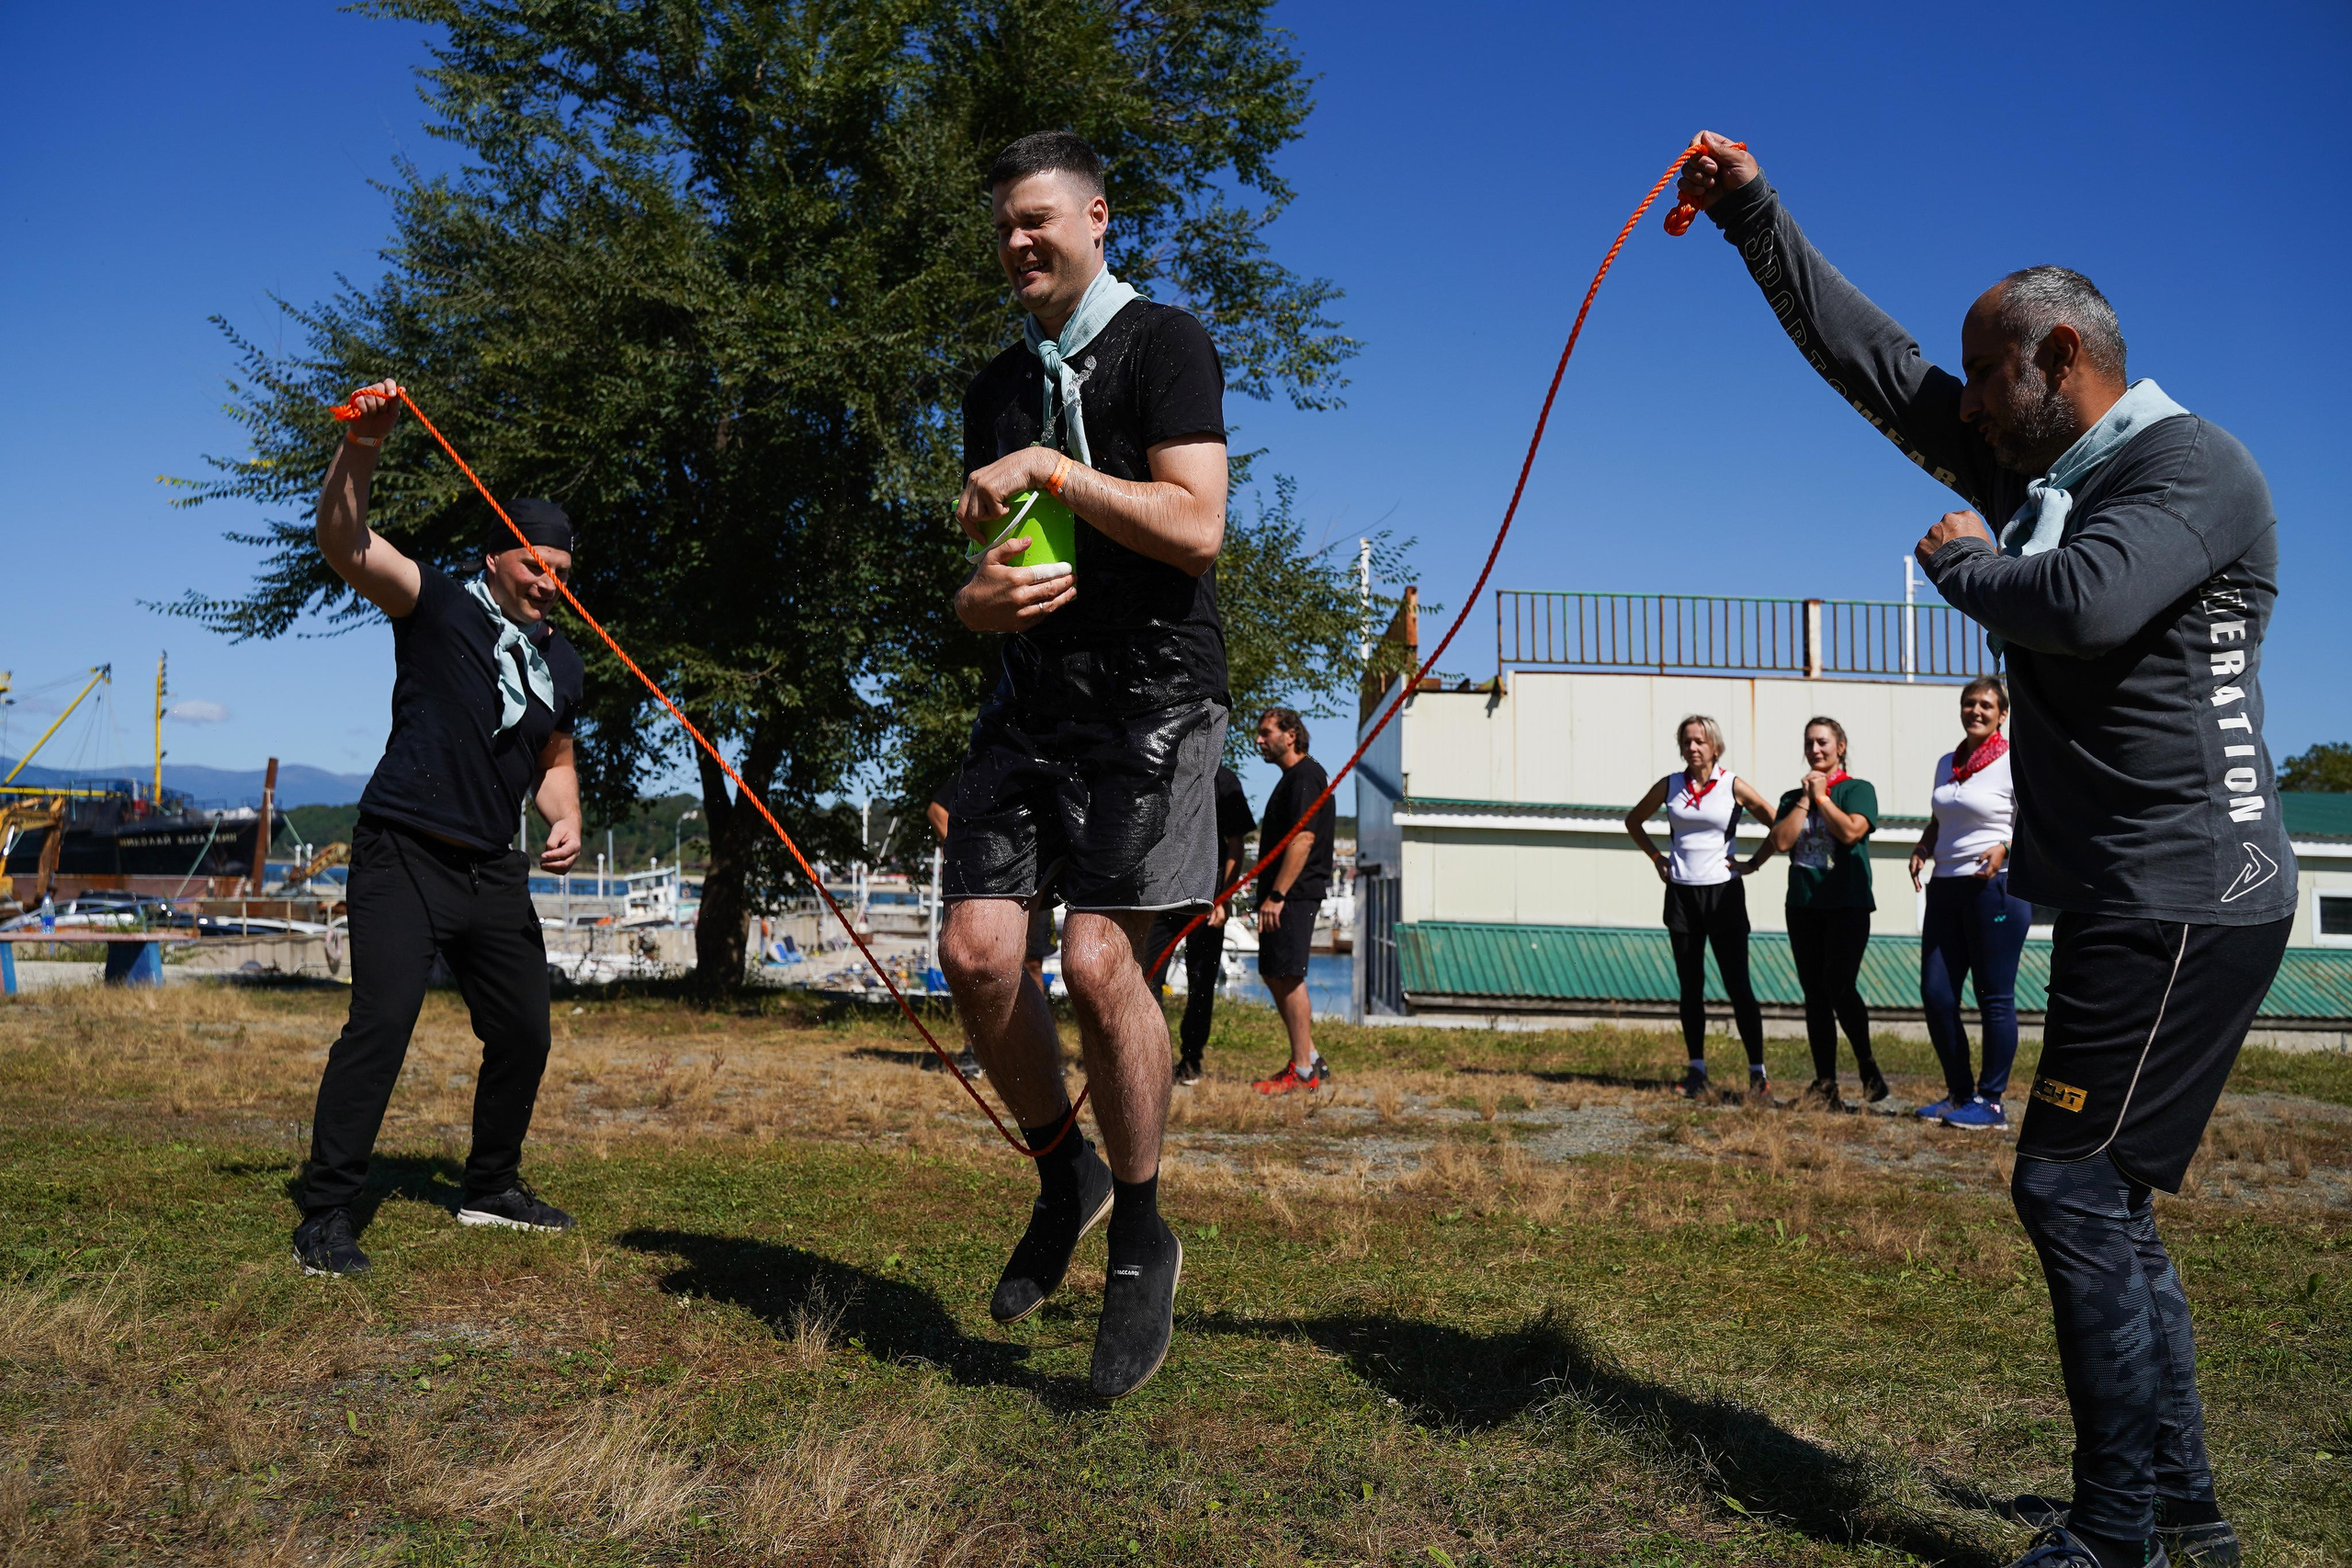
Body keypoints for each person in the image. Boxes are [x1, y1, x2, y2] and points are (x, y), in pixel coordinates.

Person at [1678, 132, 2294, 1568]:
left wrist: (1956, 555)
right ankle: (2179, 1511)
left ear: (2059, 356)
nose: (1966, 405)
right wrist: (1757, 217)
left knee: (2070, 1186)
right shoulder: (2046, 455)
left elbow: (2077, 604)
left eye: (1989, 375)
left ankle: (2120, 1530)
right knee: (2110, 1201)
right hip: (2152, 892)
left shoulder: (2190, 468)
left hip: (2191, 890)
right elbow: (1877, 366)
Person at [937, 131, 1230, 1399]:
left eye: (1036, 219)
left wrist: (1058, 463)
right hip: (1033, 699)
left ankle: (1143, 1232)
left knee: (1101, 956)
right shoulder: (994, 385)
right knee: (977, 951)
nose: (1016, 241)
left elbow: (1196, 526)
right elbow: (999, 578)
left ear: (1096, 218)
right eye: (1002, 224)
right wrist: (977, 605)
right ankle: (1069, 1170)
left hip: (1156, 697)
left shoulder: (1167, 343)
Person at [290, 378, 585, 1279]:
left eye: (564, 575)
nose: (549, 584)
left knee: (526, 1032)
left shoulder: (562, 661)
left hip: (491, 871)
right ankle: (325, 1215)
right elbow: (346, 543)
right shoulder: (441, 605)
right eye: (536, 565)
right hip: (403, 851)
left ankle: (490, 1188)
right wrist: (363, 448)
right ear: (497, 557)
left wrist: (566, 817)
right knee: (382, 1023)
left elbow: (555, 760)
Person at [1623, 714, 1780, 1102]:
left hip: (1723, 894)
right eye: (1688, 741)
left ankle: (1757, 1075)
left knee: (1738, 986)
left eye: (1700, 741)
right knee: (1690, 987)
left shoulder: (1732, 785)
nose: (1693, 747)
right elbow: (1634, 821)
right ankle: (1697, 1070)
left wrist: (1754, 864)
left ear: (1715, 746)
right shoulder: (1670, 785)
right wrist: (1658, 859)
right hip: (1682, 895)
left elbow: (1779, 826)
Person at [1908, 677, 2030, 1131]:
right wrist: (1924, 845)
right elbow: (1943, 816)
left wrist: (2006, 846)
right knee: (1937, 995)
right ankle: (1960, 1093)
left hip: (1994, 886)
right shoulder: (1948, 762)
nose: (1975, 710)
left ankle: (1992, 1102)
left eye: (1986, 705)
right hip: (1946, 886)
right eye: (1969, 703)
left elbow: (2036, 818)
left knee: (1994, 998)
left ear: (2002, 715)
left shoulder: (2016, 760)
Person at [1769, 716, 1887, 1111]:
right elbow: (1783, 841)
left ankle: (1867, 1066)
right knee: (1815, 995)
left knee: (1838, 984)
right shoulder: (1791, 797)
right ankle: (1825, 1085)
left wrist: (1823, 798)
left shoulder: (1857, 789)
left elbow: (1852, 832)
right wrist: (1805, 798)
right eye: (1809, 744)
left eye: (1823, 743)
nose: (1815, 750)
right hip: (1803, 906)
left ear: (1840, 746)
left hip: (1847, 903)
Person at [1144, 762, 1255, 1085]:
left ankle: (1191, 1060)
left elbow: (1236, 843)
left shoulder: (1223, 779)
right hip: (1163, 895)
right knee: (1147, 976)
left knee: (1202, 982)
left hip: (1209, 897)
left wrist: (1224, 897)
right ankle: (1152, 1057)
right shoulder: (1163, 769)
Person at [1247, 710, 1336, 1095]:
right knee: (1273, 971)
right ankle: (1310, 1058)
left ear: (1291, 734)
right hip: (1280, 894)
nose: (1259, 741)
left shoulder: (1306, 775)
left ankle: (1302, 1072)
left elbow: (1304, 840)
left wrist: (1278, 895)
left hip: (1293, 894)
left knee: (1289, 973)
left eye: (1266, 733)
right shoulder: (1293, 779)